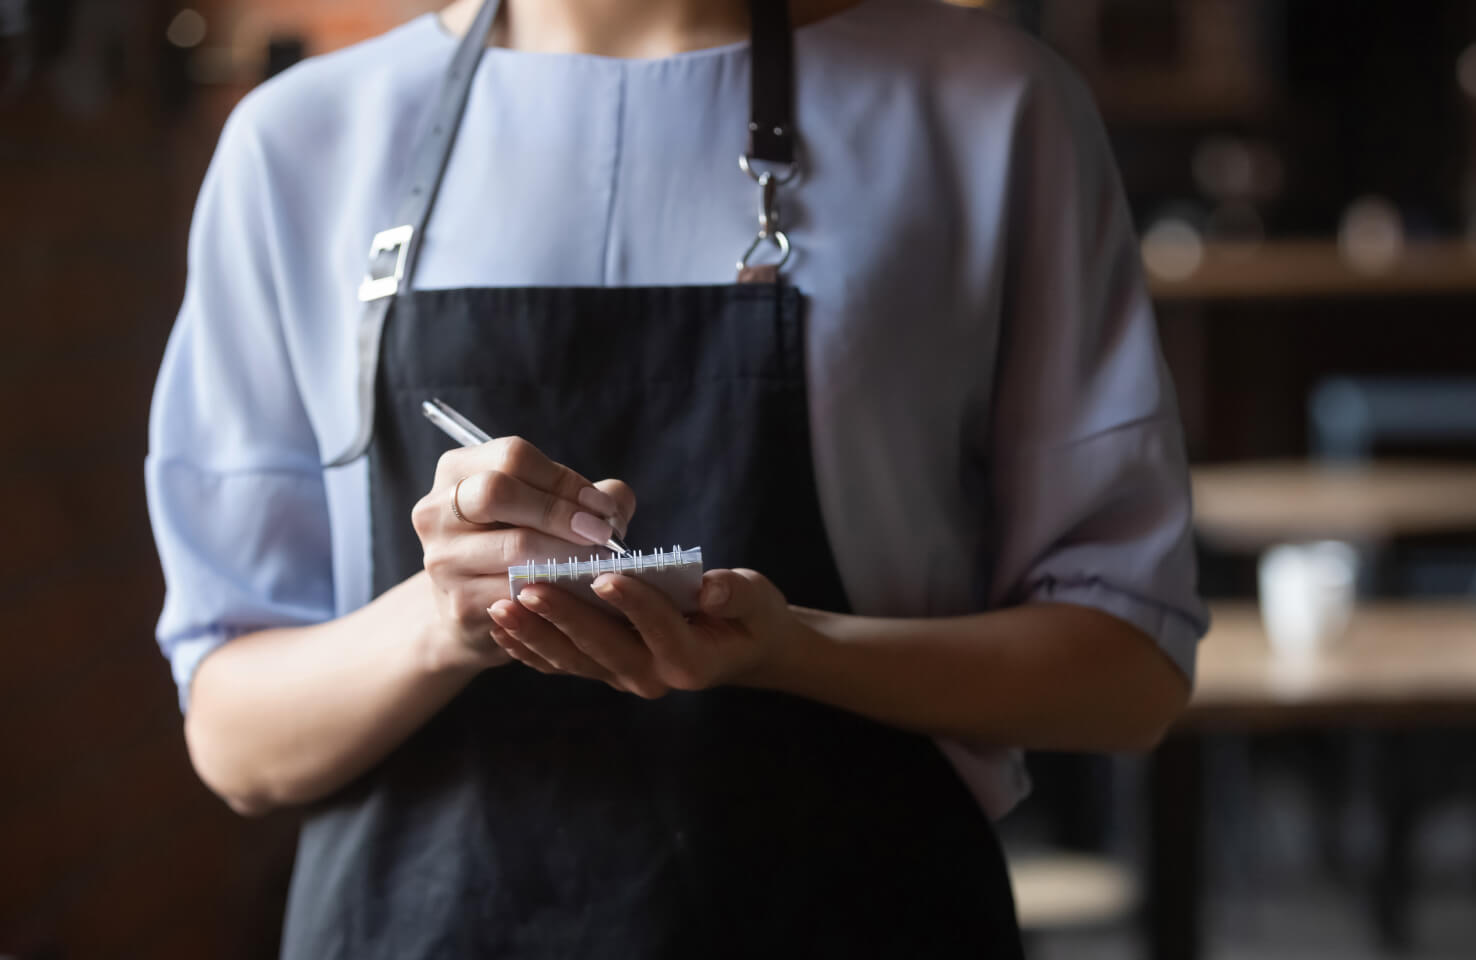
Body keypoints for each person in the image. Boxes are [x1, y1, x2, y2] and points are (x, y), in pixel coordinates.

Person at [145, 0, 1206, 955]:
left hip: (862, 915)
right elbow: (238, 742)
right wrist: (441, 620)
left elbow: (1128, 676)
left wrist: (798, 650)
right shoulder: (302, 140)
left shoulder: (985, 105)